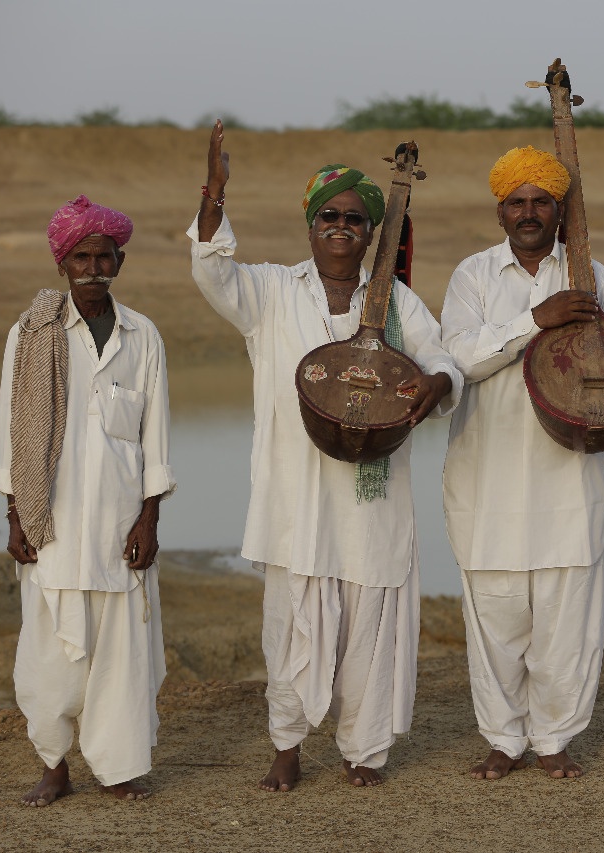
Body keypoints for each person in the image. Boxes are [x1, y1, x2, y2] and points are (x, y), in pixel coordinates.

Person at [187, 121, 462, 791]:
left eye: (354, 218)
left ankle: (363, 750)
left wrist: (436, 383)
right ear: (311, 226)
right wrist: (214, 197)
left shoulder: (394, 301)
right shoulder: (272, 293)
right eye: (329, 215)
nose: (341, 225)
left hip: (374, 500)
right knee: (291, 626)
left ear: (371, 233)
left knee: (371, 621)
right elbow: (209, 269)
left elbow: (443, 359)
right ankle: (287, 745)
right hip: (297, 497)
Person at [441, 145, 604, 780]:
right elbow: (459, 357)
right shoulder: (474, 276)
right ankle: (502, 738)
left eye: (541, 200)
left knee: (568, 623)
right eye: (516, 202)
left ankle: (554, 739)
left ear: (559, 209)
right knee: (495, 617)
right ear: (500, 212)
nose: (528, 212)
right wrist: (533, 322)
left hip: (569, 480)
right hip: (486, 481)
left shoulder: (589, 275)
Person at [0, 195, 175, 806]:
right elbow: (10, 431)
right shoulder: (31, 334)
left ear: (120, 261)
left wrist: (150, 518)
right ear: (62, 263)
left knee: (122, 654)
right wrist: (16, 514)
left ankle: (118, 768)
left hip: (121, 524)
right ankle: (54, 763)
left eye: (104, 255)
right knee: (50, 652)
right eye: (81, 256)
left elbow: (156, 439)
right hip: (55, 525)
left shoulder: (142, 334)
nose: (93, 266)